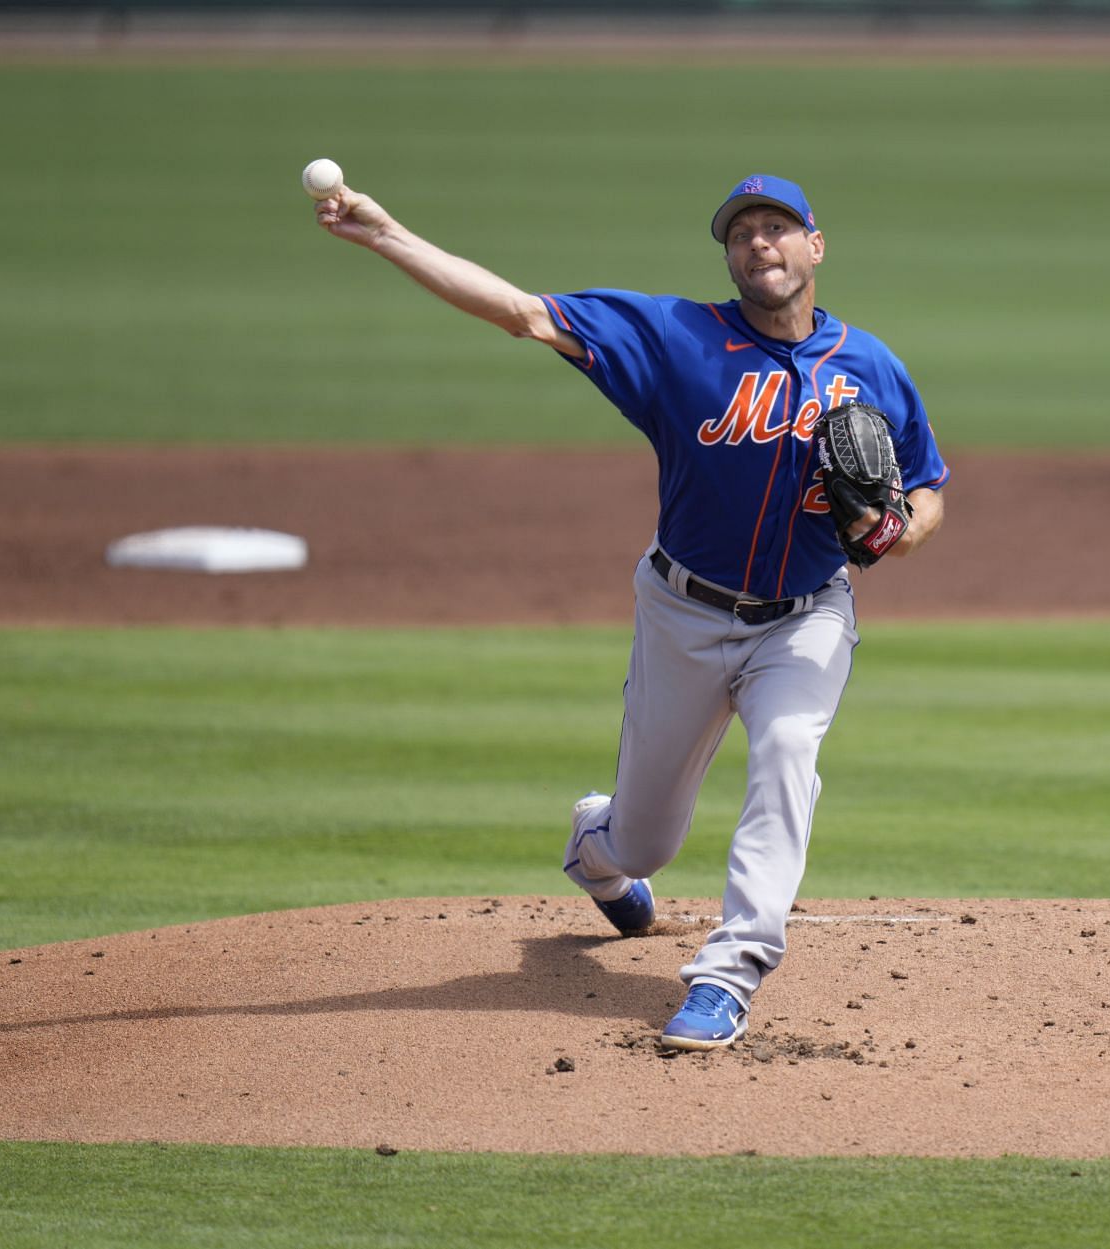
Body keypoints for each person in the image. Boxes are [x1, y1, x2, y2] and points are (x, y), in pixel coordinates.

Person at [315, 172, 948, 1051]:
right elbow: (520, 311)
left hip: (806, 616)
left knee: (788, 748)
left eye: (777, 228)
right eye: (741, 234)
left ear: (815, 246)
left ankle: (730, 971)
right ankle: (597, 848)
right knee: (644, 841)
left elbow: (926, 488)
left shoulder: (871, 365)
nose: (759, 244)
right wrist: (387, 234)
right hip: (683, 612)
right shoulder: (673, 337)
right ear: (728, 258)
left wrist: (903, 532)